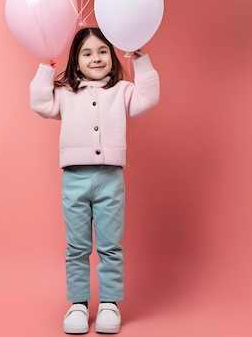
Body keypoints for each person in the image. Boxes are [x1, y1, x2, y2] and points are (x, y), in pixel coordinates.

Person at [30, 27, 160, 334]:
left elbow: (148, 98)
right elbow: (40, 104)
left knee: (110, 246)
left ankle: (109, 304)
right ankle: (77, 304)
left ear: (112, 57)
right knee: (76, 247)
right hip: (74, 179)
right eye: (87, 53)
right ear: (75, 62)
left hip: (110, 178)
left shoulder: (122, 90)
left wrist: (140, 60)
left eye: (103, 51)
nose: (96, 58)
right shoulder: (64, 93)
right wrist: (45, 70)